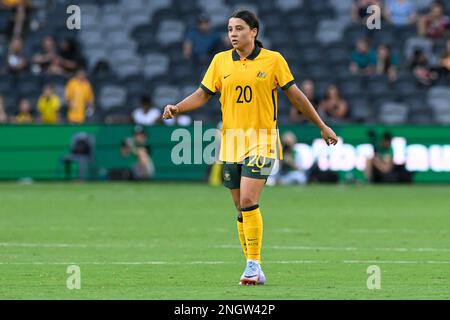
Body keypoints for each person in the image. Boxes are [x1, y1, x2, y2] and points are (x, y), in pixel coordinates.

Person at [162, 10, 338, 286]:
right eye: (230, 29)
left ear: (254, 31)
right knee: (239, 207)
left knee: (247, 200)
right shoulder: (220, 61)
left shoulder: (273, 60)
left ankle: (253, 265)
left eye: (239, 28)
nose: (233, 34)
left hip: (262, 141)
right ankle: (253, 265)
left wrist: (322, 126)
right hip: (231, 143)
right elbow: (202, 95)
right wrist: (177, 107)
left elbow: (296, 95)